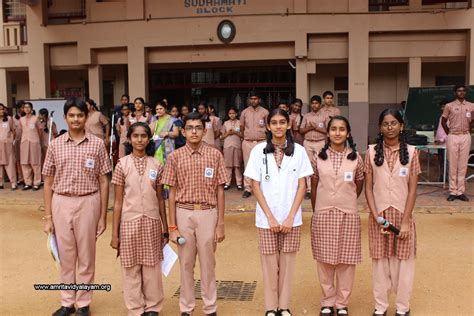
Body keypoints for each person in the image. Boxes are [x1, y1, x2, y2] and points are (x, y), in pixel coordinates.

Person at [42, 98, 111, 316]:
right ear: (65, 118)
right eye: (71, 115)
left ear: (86, 117)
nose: (75, 119)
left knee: (87, 255)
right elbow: (48, 181)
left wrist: (102, 216)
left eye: (79, 115)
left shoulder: (97, 144)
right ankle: (67, 302)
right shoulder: (55, 145)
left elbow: (103, 181)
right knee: (66, 255)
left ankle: (83, 303)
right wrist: (48, 216)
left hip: (88, 202)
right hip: (61, 202)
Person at [244, 109, 313, 316]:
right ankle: (270, 307)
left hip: (291, 219)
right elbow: (255, 186)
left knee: (287, 265)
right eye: (274, 123)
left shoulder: (299, 151)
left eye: (282, 122)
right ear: (268, 126)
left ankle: (283, 306)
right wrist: (271, 217)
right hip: (267, 219)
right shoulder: (258, 151)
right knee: (269, 265)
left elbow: (303, 186)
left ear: (289, 125)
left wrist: (291, 217)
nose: (278, 126)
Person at [161, 112, 227, 316]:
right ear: (183, 131)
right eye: (190, 128)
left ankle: (210, 308)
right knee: (186, 264)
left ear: (205, 130)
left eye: (198, 128)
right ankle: (186, 308)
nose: (194, 132)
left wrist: (220, 223)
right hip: (183, 215)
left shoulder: (215, 154)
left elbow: (220, 190)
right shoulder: (174, 157)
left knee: (208, 264)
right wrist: (172, 227)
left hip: (208, 213)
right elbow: (171, 194)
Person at [365, 109, 421, 316]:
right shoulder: (370, 152)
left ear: (401, 126)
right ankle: (380, 307)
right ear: (380, 128)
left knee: (403, 264)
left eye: (394, 123)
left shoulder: (413, 152)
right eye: (385, 124)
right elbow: (368, 188)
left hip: (402, 214)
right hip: (379, 215)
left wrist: (406, 221)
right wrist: (375, 216)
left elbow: (413, 189)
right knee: (380, 264)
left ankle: (402, 307)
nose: (390, 127)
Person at [111, 122, 168, 316]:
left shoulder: (156, 164)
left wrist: (165, 228)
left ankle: (153, 307)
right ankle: (135, 308)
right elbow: (118, 202)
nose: (139, 140)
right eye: (135, 136)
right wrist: (114, 234)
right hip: (129, 223)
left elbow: (161, 199)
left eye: (144, 136)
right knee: (130, 267)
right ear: (129, 139)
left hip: (151, 222)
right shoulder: (122, 164)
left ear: (149, 138)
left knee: (152, 267)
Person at [310, 116, 364, 316]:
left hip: (348, 214)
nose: (338, 132)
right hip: (323, 214)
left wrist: (345, 199)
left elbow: (358, 185)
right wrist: (318, 210)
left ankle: (342, 303)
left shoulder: (356, 158)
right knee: (324, 260)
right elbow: (314, 186)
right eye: (333, 129)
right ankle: (327, 301)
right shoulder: (318, 157)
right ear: (328, 133)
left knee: (346, 261)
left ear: (348, 133)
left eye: (342, 129)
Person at [441, 84, 473, 202]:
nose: (461, 93)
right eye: (459, 91)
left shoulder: (471, 106)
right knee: (453, 164)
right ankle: (453, 191)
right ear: (455, 93)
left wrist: (470, 130)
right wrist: (449, 133)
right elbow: (443, 121)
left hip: (465, 136)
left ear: (465, 93)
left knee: (463, 164)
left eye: (463, 91)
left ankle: (460, 191)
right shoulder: (449, 106)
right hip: (453, 136)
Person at [240, 91, 269, 198]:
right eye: (251, 99)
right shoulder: (244, 112)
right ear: (249, 100)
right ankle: (248, 188)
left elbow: (268, 127)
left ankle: (262, 188)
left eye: (255, 98)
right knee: (248, 165)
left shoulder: (265, 112)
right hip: (247, 142)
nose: (253, 101)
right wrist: (244, 137)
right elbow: (242, 127)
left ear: (259, 100)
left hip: (262, 142)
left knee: (262, 164)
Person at [300, 95, 329, 200]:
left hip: (320, 143)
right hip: (308, 143)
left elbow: (328, 131)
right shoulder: (307, 116)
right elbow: (301, 130)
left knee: (320, 165)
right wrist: (310, 127)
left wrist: (316, 127)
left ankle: (320, 188)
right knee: (308, 166)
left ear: (320, 104)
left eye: (316, 103)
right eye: (312, 103)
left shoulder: (325, 116)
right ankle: (309, 190)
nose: (314, 105)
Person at [19, 102, 43, 191]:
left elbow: (40, 131)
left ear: (32, 108)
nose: (27, 109)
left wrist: (36, 139)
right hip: (24, 142)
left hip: (34, 142)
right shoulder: (21, 119)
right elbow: (22, 130)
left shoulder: (35, 118)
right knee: (25, 163)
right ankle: (27, 183)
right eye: (25, 107)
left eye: (28, 107)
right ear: (23, 109)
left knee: (35, 163)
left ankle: (37, 183)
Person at [149, 101, 179, 167]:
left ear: (165, 109)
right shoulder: (154, 119)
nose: (159, 110)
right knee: (156, 166)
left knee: (167, 166)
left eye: (161, 108)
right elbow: (149, 132)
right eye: (157, 109)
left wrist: (167, 133)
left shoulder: (173, 120)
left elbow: (176, 133)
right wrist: (154, 120)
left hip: (167, 145)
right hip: (156, 145)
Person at [220, 107, 243, 190]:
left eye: (233, 113)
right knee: (228, 165)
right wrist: (228, 133)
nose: (232, 115)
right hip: (227, 146)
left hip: (237, 145)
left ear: (236, 114)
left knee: (237, 165)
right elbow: (221, 137)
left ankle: (239, 183)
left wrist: (235, 132)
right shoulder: (225, 123)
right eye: (230, 113)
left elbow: (243, 135)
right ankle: (227, 182)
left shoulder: (240, 123)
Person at [0, 103, 17, 190]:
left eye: (2, 109)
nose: (1, 111)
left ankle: (13, 183)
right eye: (0, 109)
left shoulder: (9, 119)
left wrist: (11, 141)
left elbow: (13, 130)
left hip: (7, 145)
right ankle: (1, 183)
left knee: (9, 164)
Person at [435, 99, 449, 182]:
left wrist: (441, 139)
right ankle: (442, 177)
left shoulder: (450, 117)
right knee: (441, 160)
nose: (442, 108)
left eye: (444, 106)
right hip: (440, 143)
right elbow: (440, 129)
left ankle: (446, 178)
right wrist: (437, 139)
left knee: (446, 161)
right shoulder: (442, 116)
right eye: (441, 107)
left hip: (446, 143)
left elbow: (449, 131)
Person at [13, 100, 25, 186]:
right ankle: (21, 178)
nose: (23, 109)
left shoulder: (28, 117)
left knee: (26, 161)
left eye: (24, 107)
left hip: (26, 141)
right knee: (18, 160)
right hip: (17, 141)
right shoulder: (13, 118)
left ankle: (27, 178)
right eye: (21, 107)